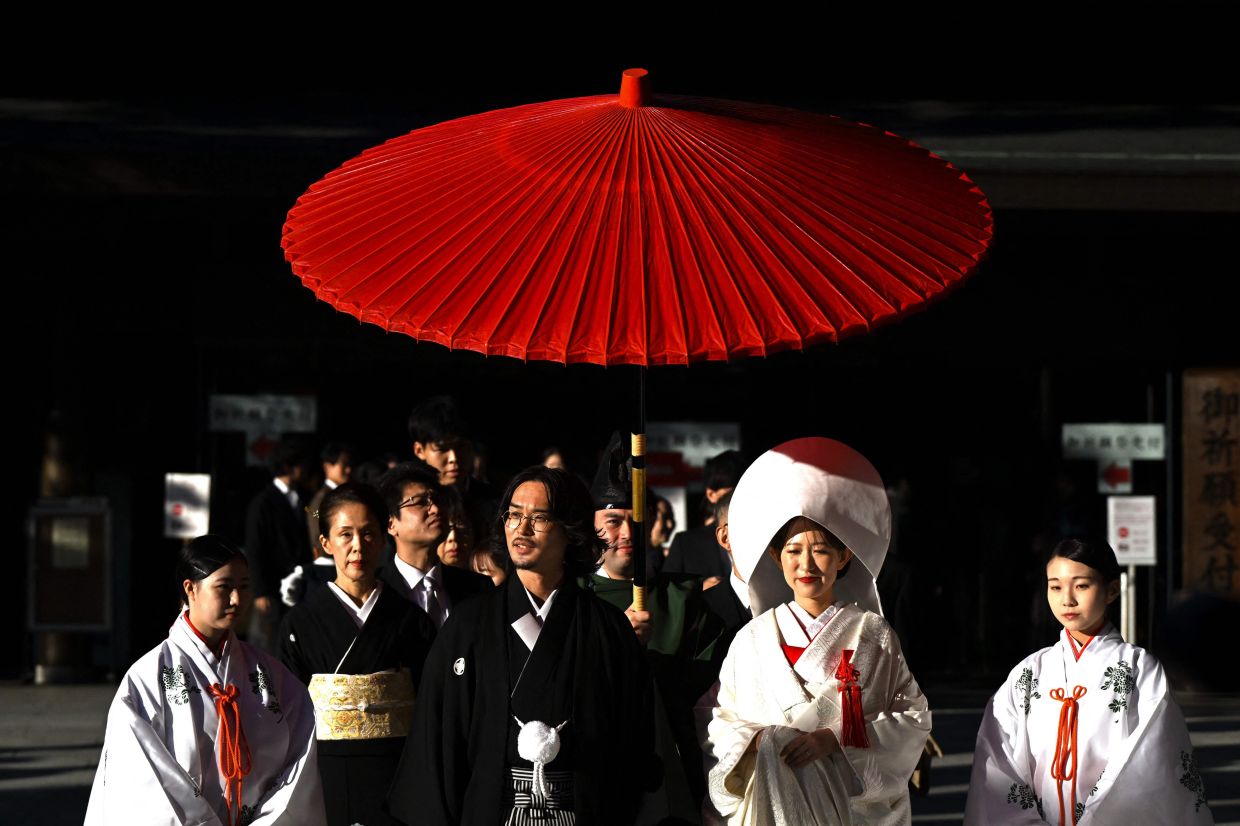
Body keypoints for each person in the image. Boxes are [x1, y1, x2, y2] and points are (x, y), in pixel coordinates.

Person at [387, 466, 657, 825]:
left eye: (539, 517)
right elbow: (438, 744)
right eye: (514, 515)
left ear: (570, 529)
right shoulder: (468, 625)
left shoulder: (607, 628)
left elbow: (631, 744)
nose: (521, 528)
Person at [701, 437, 930, 825]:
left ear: (843, 557)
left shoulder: (872, 633)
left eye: (821, 550)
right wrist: (759, 742)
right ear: (775, 557)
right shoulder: (752, 639)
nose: (807, 564)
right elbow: (719, 719)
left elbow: (912, 716)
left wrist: (836, 740)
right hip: (772, 801)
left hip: (845, 803)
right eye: (792, 551)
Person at [964, 537, 1214, 825]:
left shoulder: (1138, 668)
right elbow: (999, 758)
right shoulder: (1028, 672)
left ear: (1111, 590)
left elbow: (1147, 761)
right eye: (1055, 586)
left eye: (1081, 586)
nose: (1067, 599)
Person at [86, 535, 325, 826]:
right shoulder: (146, 678)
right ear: (191, 589)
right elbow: (141, 778)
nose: (237, 599)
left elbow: (300, 756)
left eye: (244, 587)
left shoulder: (270, 675)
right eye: (224, 588)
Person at [586, 433, 732, 818]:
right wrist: (616, 641)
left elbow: (709, 687)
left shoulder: (683, 596)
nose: (626, 534)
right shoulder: (574, 599)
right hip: (597, 763)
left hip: (673, 764)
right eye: (613, 522)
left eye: (636, 521)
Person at [278, 483, 437, 826]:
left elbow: (429, 709)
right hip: (323, 772)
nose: (357, 546)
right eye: (345, 534)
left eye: (368, 534)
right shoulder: (299, 623)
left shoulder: (412, 622)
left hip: (396, 773)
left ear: (383, 538)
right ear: (325, 543)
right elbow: (285, 716)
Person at [378, 461, 492, 627]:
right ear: (391, 524)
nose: (435, 509)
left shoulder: (478, 589)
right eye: (420, 502)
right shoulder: (375, 591)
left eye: (438, 500)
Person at [246, 438, 314, 651]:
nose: (306, 469)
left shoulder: (305, 500)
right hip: (273, 586)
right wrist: (260, 592)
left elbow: (316, 517)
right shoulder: (263, 503)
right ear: (288, 466)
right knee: (270, 643)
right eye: (301, 464)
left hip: (300, 581)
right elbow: (255, 548)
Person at [664, 450, 746, 580]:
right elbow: (667, 591)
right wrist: (699, 587)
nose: (738, 499)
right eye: (730, 493)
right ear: (711, 494)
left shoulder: (765, 536)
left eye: (745, 491)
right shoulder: (686, 545)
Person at [304, 441, 354, 550]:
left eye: (350, 464)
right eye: (344, 465)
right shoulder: (321, 500)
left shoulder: (347, 493)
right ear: (327, 467)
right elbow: (317, 535)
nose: (348, 470)